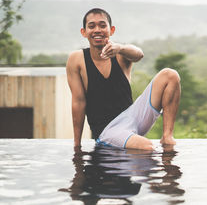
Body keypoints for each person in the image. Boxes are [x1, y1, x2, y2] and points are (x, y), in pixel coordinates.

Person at [66, 8, 180, 150]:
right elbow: (78, 101)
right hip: (108, 129)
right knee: (147, 146)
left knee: (170, 75)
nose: (97, 30)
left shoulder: (120, 52)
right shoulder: (76, 59)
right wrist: (77, 144)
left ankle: (167, 136)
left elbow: (139, 54)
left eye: (102, 25)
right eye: (91, 26)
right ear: (84, 32)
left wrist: (119, 48)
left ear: (111, 30)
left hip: (133, 117)